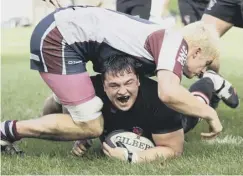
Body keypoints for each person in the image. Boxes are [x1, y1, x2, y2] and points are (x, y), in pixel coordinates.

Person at [1, 6, 223, 152]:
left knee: (87, 121)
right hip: (59, 38)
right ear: (196, 51)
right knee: (90, 125)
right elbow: (169, 92)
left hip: (61, 32)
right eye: (205, 64)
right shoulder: (174, 43)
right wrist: (209, 113)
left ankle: (65, 106)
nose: (201, 72)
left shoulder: (164, 41)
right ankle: (6, 131)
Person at [43, 55, 238, 163]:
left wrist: (132, 157)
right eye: (114, 85)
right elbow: (53, 106)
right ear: (103, 85)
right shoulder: (88, 91)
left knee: (194, 107)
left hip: (160, 123)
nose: (122, 91)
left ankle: (209, 81)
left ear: (138, 80)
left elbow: (173, 150)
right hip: (132, 124)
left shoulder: (158, 99)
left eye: (128, 82)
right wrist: (79, 132)